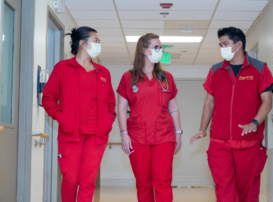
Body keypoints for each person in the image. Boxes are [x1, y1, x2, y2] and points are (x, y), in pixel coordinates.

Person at [190, 27, 273, 202]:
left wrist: (254, 122)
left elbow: (267, 101)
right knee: (224, 189)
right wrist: (202, 128)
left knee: (248, 190)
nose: (222, 47)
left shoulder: (260, 69)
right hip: (219, 141)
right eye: (220, 44)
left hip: (248, 140)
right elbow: (209, 102)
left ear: (239, 44)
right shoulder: (215, 70)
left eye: (225, 43)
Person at [42, 26, 116, 202]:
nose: (99, 44)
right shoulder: (62, 68)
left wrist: (109, 119)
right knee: (70, 179)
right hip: (70, 134)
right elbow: (48, 98)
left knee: (88, 181)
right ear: (82, 43)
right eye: (96, 41)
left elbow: (111, 103)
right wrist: (62, 117)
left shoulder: (103, 72)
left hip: (97, 136)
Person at [117, 33, 182, 202]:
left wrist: (178, 133)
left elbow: (173, 108)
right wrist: (123, 133)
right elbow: (122, 108)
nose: (160, 50)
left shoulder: (166, 77)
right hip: (137, 137)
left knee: (162, 182)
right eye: (156, 47)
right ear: (145, 50)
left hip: (164, 136)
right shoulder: (128, 77)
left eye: (161, 47)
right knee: (143, 183)